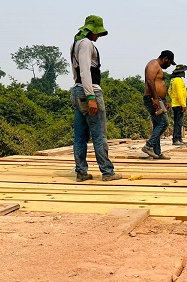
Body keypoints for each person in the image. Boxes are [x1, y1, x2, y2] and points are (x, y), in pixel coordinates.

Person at [70, 15, 122, 182]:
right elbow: (85, 71)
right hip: (89, 92)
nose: (98, 36)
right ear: (91, 30)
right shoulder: (86, 44)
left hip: (77, 92)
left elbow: (75, 72)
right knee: (99, 135)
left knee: (80, 136)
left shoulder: (75, 44)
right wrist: (91, 96)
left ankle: (81, 172)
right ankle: (107, 172)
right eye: (97, 33)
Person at [142, 50, 176, 159]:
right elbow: (150, 80)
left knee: (158, 124)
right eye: (170, 62)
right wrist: (156, 98)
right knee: (164, 123)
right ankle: (148, 146)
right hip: (152, 99)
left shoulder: (157, 67)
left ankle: (157, 152)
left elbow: (158, 84)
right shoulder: (153, 64)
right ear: (165, 59)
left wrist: (164, 100)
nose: (169, 65)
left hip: (157, 99)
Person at [169, 64, 187, 145]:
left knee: (178, 122)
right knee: (178, 122)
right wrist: (183, 104)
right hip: (179, 104)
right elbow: (180, 93)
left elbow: (169, 91)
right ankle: (176, 139)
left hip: (174, 103)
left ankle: (179, 138)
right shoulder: (179, 80)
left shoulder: (172, 81)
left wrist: (173, 98)